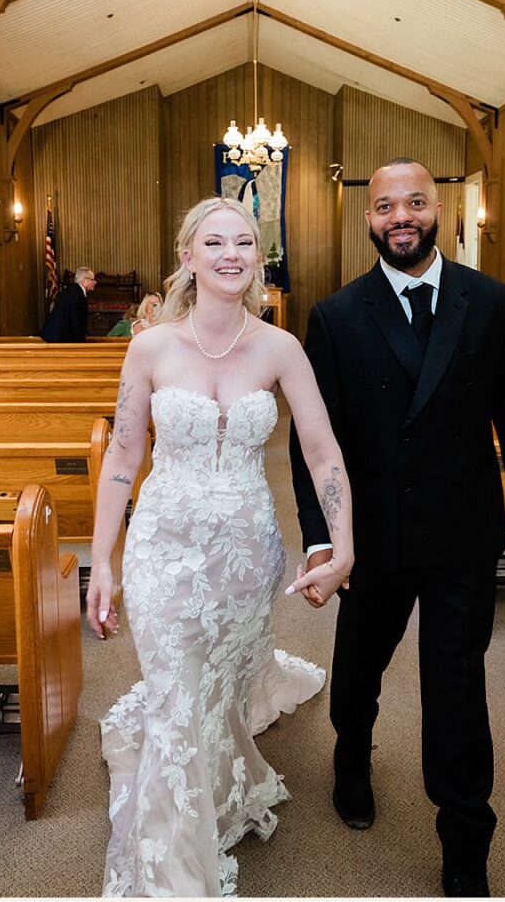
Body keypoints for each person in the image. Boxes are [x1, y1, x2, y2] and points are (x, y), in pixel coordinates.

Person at [288, 157, 505, 898]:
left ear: (439, 211)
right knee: (359, 668)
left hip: (462, 532)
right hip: (371, 535)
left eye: (414, 203)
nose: (400, 216)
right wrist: (321, 538)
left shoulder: (490, 302)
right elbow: (315, 444)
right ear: (368, 218)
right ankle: (351, 754)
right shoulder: (338, 315)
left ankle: (466, 839)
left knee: (457, 687)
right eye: (385, 206)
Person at [87, 197, 356, 897]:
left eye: (243, 242)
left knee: (215, 687)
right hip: (162, 547)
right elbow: (123, 456)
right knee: (176, 693)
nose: (231, 254)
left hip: (243, 553)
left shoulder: (280, 348)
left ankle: (217, 770)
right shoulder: (150, 347)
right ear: (188, 256)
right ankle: (173, 869)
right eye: (214, 242)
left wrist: (342, 545)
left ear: (257, 258)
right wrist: (102, 560)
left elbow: (322, 451)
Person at [41, 266, 95, 342]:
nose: (95, 282)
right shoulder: (78, 294)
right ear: (84, 280)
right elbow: (77, 322)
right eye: (92, 280)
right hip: (60, 337)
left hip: (55, 334)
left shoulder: (72, 290)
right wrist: (81, 343)